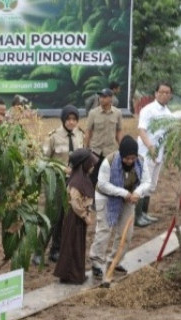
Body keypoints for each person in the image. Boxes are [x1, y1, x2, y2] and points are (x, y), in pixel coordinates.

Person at [89, 136, 151, 278]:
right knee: (104, 230)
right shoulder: (109, 162)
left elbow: (147, 181)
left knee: (126, 233)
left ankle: (115, 261)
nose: (129, 161)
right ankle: (97, 263)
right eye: (126, 158)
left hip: (129, 197)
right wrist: (124, 193)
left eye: (132, 158)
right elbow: (103, 184)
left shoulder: (141, 162)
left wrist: (137, 192)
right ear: (121, 155)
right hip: (105, 196)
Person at [42, 104, 85, 262]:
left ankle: (57, 249)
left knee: (68, 217)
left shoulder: (80, 135)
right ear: (63, 119)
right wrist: (61, 168)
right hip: (55, 181)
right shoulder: (53, 136)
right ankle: (39, 251)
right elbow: (44, 160)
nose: (71, 122)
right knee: (53, 216)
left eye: (74, 119)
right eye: (68, 119)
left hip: (74, 182)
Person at [53, 150, 96, 284]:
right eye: (90, 164)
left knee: (76, 244)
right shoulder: (76, 182)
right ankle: (72, 276)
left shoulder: (81, 178)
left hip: (78, 218)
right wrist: (85, 216)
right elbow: (76, 203)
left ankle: (73, 274)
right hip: (74, 218)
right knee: (73, 245)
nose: (92, 167)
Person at [136, 82, 174, 226]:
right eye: (162, 92)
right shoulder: (148, 110)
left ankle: (144, 213)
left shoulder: (167, 112)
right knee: (143, 182)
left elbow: (170, 130)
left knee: (151, 184)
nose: (164, 95)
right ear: (156, 93)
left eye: (167, 92)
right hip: (146, 152)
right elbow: (141, 131)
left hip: (159, 153)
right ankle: (137, 216)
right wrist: (150, 147)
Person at [84, 88, 124, 186]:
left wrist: (122, 147)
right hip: (95, 151)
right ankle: (92, 199)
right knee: (93, 177)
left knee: (109, 176)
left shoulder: (117, 113)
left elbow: (119, 131)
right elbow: (88, 132)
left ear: (111, 98)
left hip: (110, 151)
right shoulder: (93, 113)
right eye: (100, 96)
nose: (101, 99)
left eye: (104, 97)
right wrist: (86, 148)